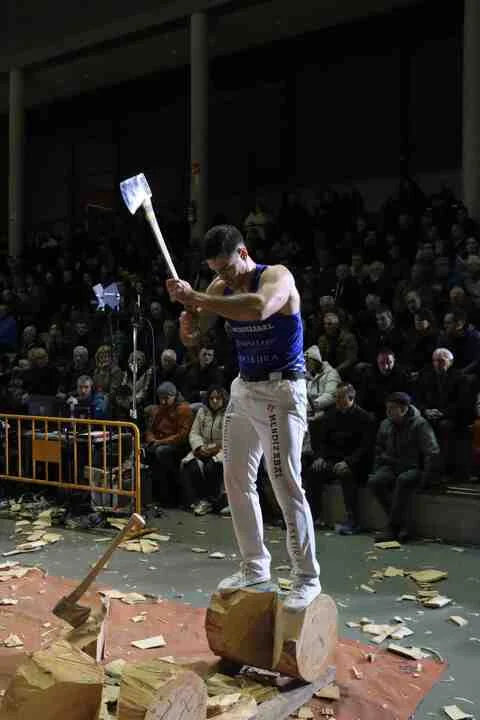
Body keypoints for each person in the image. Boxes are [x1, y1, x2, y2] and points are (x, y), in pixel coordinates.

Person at [167, 224, 320, 611]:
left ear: (244, 253)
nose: (225, 277)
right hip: (245, 388)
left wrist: (196, 296)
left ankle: (307, 577)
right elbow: (196, 335)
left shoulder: (277, 277)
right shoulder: (220, 287)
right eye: (216, 271)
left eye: (228, 268)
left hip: (281, 391)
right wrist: (188, 323)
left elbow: (259, 307)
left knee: (285, 483)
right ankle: (254, 566)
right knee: (235, 478)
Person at [303, 383, 374, 534]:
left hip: (355, 463)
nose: (337, 400)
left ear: (351, 398)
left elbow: (365, 447)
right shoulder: (331, 415)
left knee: (346, 475)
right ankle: (312, 515)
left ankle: (353, 520)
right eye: (336, 397)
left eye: (341, 397)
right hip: (333, 460)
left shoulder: (364, 418)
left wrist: (348, 462)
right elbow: (323, 441)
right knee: (313, 472)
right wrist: (320, 457)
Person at [368, 392, 439, 542]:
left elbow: (432, 452)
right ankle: (402, 525)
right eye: (387, 408)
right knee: (375, 481)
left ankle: (392, 528)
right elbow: (378, 448)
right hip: (391, 464)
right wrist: (377, 469)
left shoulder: (420, 424)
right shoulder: (385, 423)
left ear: (404, 409)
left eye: (392, 408)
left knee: (403, 480)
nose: (388, 412)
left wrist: (426, 479)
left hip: (414, 466)